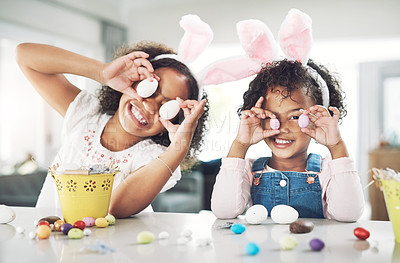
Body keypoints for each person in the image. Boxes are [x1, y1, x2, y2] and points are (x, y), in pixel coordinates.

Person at [15, 39, 209, 218]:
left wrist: (179, 147)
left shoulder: (154, 159)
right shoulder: (85, 116)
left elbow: (114, 208)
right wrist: (102, 72)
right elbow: (24, 55)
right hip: (49, 245)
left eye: (167, 108)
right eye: (151, 88)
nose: (150, 106)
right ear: (132, 80)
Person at [208, 9, 364, 222]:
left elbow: (349, 214)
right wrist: (240, 144)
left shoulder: (327, 170)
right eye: (272, 115)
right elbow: (223, 211)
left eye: (294, 117)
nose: (280, 127)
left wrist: (337, 147)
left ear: (318, 118)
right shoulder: (248, 170)